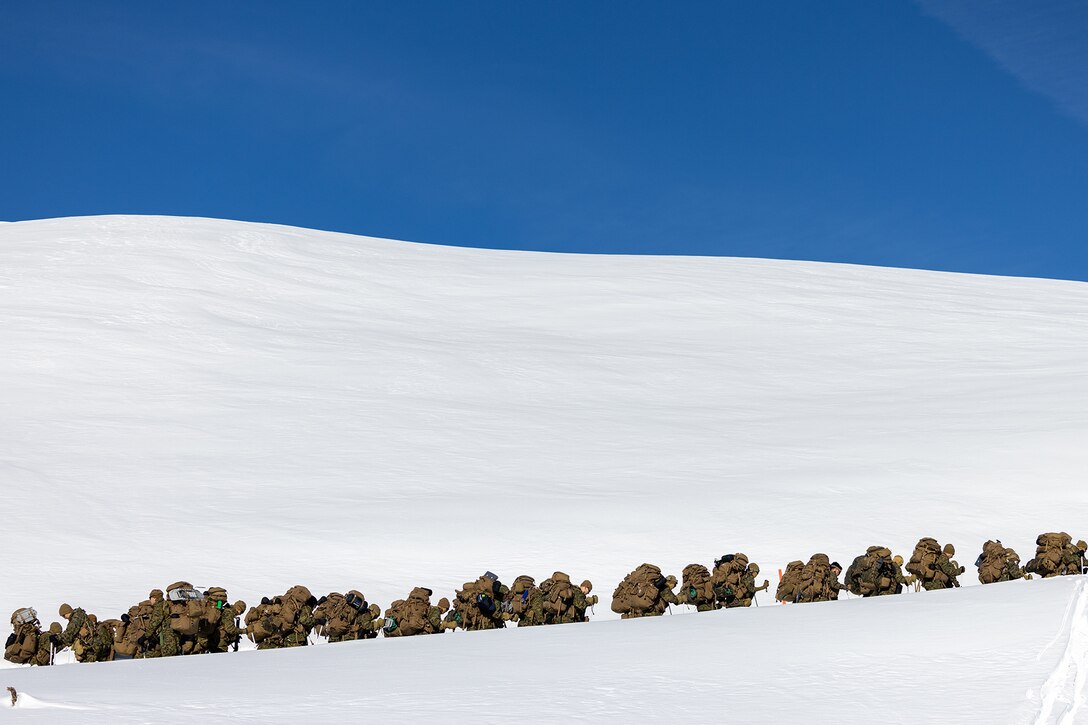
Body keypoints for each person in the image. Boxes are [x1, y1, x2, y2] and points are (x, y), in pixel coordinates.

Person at [610, 564, 679, 619]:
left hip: (631, 615)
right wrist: (683, 598)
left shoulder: (645, 586)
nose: (674, 586)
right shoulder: (663, 588)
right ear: (670, 582)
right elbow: (674, 599)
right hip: (648, 617)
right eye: (674, 584)